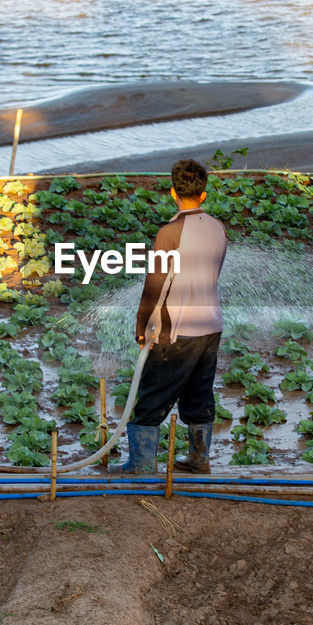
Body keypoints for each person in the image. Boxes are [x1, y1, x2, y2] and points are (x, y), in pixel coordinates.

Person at [116, 159, 227, 474]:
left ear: (171, 192)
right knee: (198, 394)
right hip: (211, 327)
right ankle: (199, 459)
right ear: (203, 195)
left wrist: (141, 326)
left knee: (152, 396)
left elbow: (154, 286)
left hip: (177, 331)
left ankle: (140, 465)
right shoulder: (218, 228)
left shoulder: (170, 233)